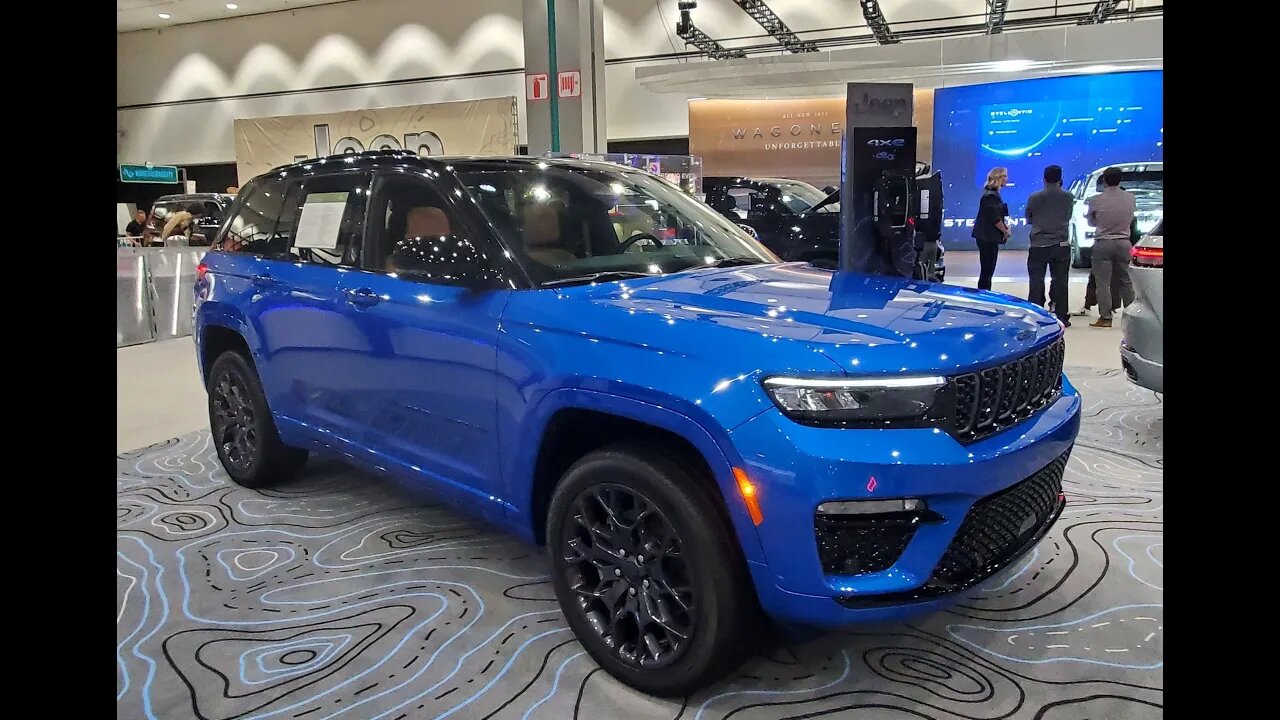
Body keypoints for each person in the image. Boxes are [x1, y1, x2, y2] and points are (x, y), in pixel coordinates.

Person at [1082, 167, 1136, 328]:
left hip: (1103, 243)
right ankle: (1132, 317)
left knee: (1102, 282)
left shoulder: (1096, 200)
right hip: (1124, 242)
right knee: (1126, 281)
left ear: (1104, 180)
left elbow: (1091, 222)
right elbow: (1131, 218)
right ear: (1120, 180)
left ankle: (1105, 317)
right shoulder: (1131, 198)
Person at [1024, 165, 1073, 326]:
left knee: (1036, 281)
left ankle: (1036, 313)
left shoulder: (1034, 197)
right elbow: (1068, 216)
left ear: (1044, 179)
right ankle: (1062, 316)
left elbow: (1029, 218)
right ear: (1060, 179)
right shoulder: (1068, 197)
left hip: (1038, 244)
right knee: (1061, 281)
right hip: (1060, 244)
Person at [971, 167, 1011, 290]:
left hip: (990, 237)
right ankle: (984, 294)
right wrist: (1005, 231)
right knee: (987, 270)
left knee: (988, 270)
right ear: (998, 178)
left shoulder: (995, 195)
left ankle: (985, 292)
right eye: (1004, 176)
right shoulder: (989, 196)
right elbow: (994, 218)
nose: (1007, 179)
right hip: (986, 237)